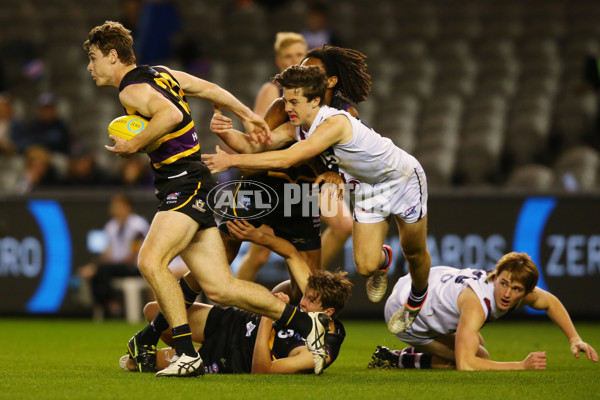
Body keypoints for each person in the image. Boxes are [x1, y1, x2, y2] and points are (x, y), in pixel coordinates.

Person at [83, 21, 330, 377]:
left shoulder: (130, 90)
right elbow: (210, 88)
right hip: (193, 182)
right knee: (220, 287)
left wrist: (133, 145)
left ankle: (185, 353)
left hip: (182, 184)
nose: (90, 68)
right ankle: (309, 326)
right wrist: (247, 114)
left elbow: (172, 114)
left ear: (112, 55)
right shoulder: (161, 74)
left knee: (150, 262)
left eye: (93, 58)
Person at [204, 65, 431, 334]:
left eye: (294, 102)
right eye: (286, 100)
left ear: (315, 101)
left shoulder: (334, 123)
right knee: (366, 265)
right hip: (368, 189)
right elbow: (255, 146)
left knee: (414, 251)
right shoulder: (297, 127)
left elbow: (289, 158)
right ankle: (383, 259)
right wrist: (224, 132)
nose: (287, 107)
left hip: (402, 178)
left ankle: (417, 299)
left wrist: (230, 161)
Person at [119, 219, 353, 374]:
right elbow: (292, 254)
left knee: (133, 363)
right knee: (153, 310)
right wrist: (257, 236)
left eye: (311, 300)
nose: (302, 301)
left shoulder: (320, 352)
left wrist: (266, 318)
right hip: (232, 320)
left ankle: (188, 352)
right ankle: (185, 342)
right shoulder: (303, 301)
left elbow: (262, 369)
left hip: (231, 355)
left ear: (328, 312)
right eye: (306, 295)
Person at [369, 252, 598, 370]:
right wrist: (521, 365)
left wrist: (574, 338)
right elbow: (467, 365)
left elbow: (551, 303)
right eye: (504, 283)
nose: (507, 293)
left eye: (516, 289)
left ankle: (416, 348)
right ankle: (396, 358)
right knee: (479, 355)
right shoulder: (477, 304)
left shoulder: (513, 288)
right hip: (406, 314)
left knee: (475, 338)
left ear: (526, 292)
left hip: (418, 287)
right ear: (495, 277)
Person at [77, 193, 149, 318]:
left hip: (135, 267)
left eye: (117, 205)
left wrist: (101, 266)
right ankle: (110, 305)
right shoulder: (110, 227)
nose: (113, 209)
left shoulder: (138, 225)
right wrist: (93, 266)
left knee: (102, 270)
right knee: (98, 273)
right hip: (115, 268)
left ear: (127, 207)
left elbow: (134, 255)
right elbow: (106, 254)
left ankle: (111, 305)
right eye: (113, 206)